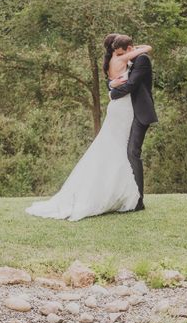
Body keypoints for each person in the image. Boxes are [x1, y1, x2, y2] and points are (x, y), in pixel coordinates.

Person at [25, 33, 156, 221]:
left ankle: (133, 198)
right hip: (123, 110)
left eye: (120, 52)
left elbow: (132, 84)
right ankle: (132, 198)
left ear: (127, 48)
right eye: (115, 52)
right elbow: (122, 84)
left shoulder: (138, 59)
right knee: (124, 152)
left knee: (127, 153)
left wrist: (112, 89)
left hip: (133, 111)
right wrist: (112, 89)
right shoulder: (121, 58)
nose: (117, 55)